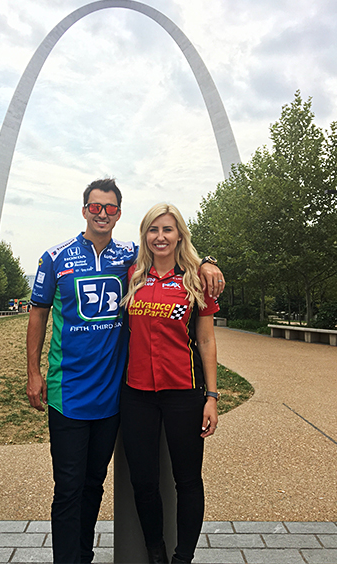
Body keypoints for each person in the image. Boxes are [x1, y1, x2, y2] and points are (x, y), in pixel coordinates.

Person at [26, 179, 224, 564]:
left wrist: (206, 260)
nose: (102, 213)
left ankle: (106, 553)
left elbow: (175, 251)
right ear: (84, 209)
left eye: (110, 208)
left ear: (119, 212)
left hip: (119, 396)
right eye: (95, 207)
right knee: (70, 487)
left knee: (95, 485)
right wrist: (33, 373)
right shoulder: (59, 258)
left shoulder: (129, 257)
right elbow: (38, 314)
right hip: (76, 392)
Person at [119, 203, 220, 564]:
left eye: (167, 229)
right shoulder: (131, 273)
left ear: (179, 235)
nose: (160, 237)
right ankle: (156, 551)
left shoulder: (196, 279)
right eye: (153, 230)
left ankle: (183, 557)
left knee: (188, 480)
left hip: (183, 394)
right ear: (144, 235)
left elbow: (206, 341)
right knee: (143, 482)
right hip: (137, 395)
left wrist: (212, 396)